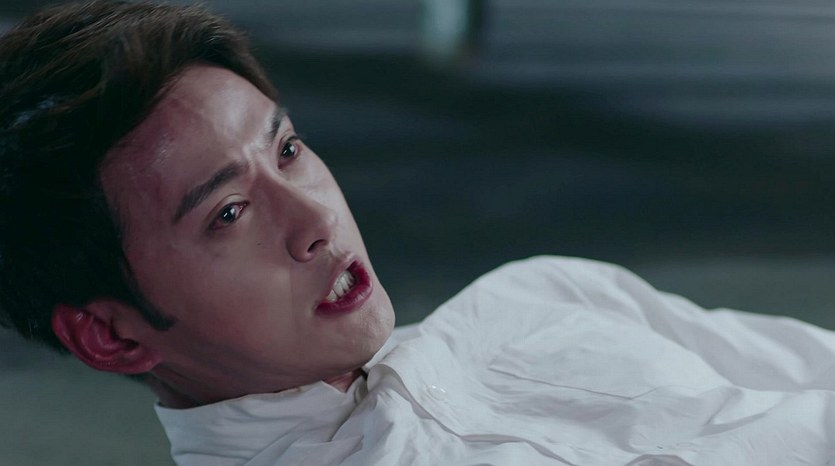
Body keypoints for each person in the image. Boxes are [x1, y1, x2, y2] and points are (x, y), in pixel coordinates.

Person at [1, 2, 834, 465]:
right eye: (229, 214)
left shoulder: (537, 296)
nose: (316, 220)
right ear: (110, 336)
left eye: (287, 151)